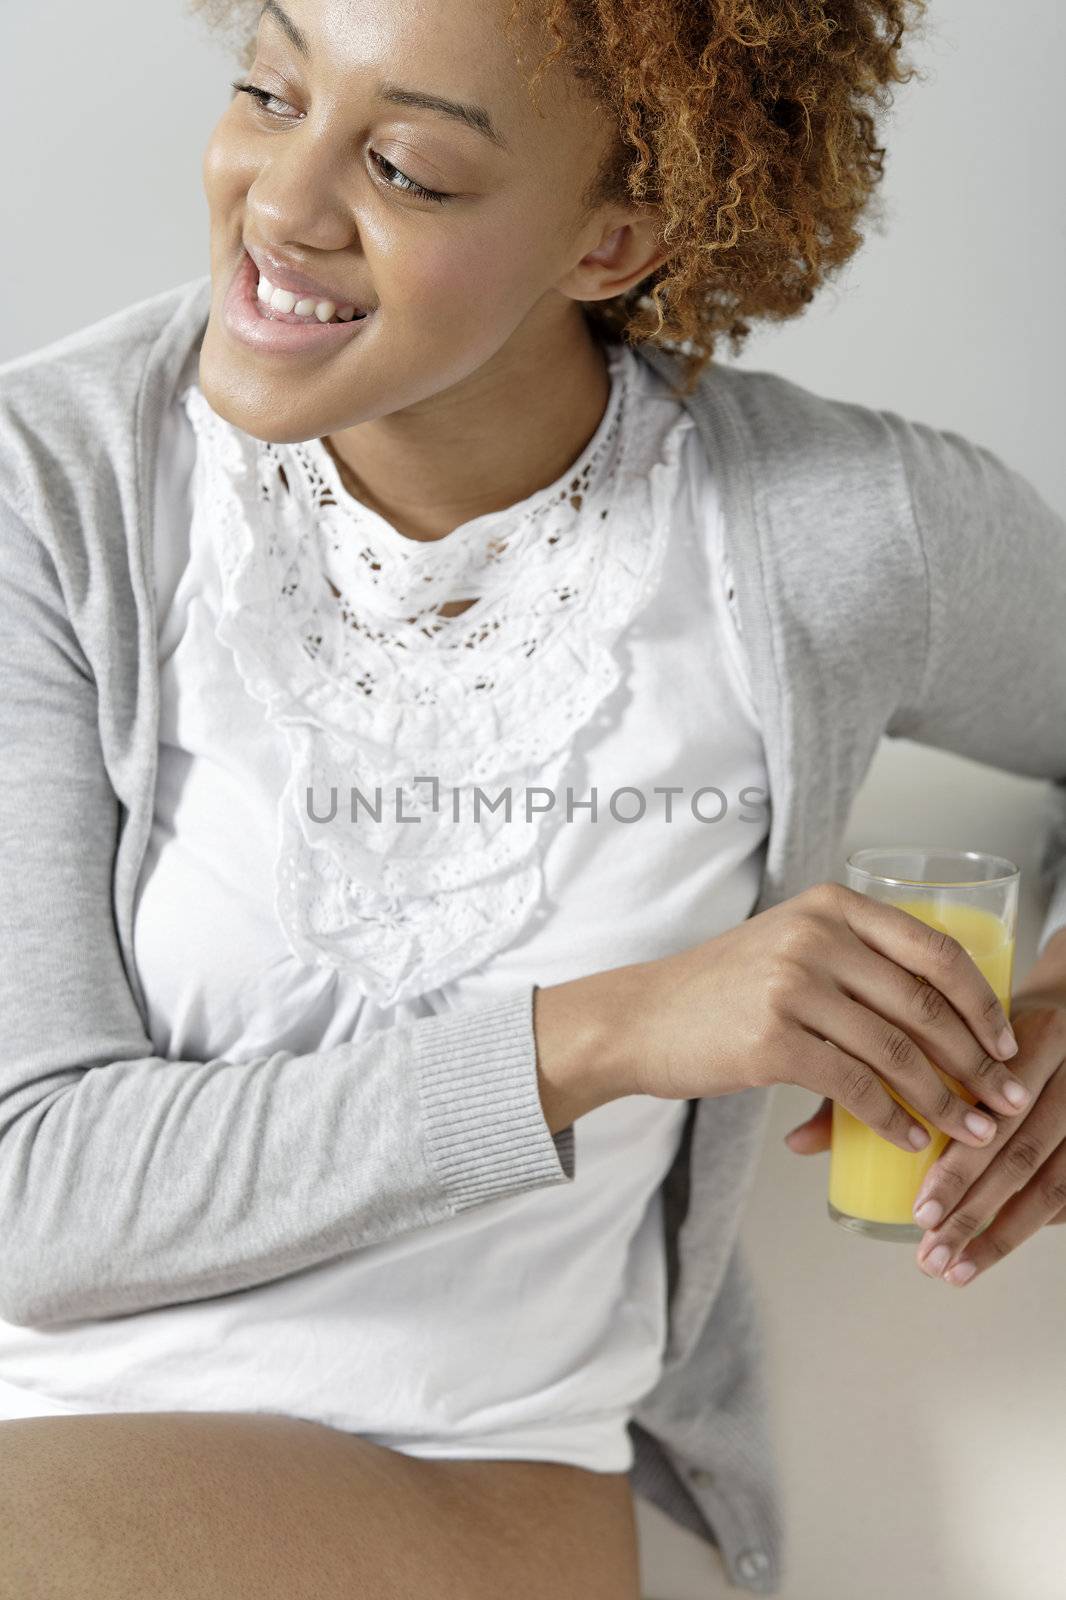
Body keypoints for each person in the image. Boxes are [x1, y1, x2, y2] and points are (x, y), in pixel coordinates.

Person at [2, 0, 1065, 1595]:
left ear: (611, 237)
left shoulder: (833, 530)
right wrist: (615, 1029)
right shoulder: (54, 487)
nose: (281, 203)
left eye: (409, 167)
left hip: (461, 1476)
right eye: (268, 91)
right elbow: (40, 1198)